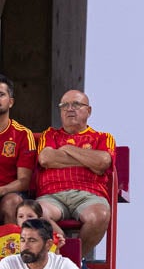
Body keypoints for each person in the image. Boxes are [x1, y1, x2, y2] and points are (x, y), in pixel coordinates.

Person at [36, 89, 115, 259]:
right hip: (52, 195)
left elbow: (102, 162)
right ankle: (71, 261)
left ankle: (73, 260)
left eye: (76, 104)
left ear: (89, 111)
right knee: (35, 213)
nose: (70, 109)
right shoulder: (49, 134)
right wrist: (88, 160)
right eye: (65, 105)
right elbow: (46, 159)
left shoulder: (102, 137)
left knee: (100, 215)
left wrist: (68, 149)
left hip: (89, 194)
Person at [0, 75, 35, 226]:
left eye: (1, 95)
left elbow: (24, 181)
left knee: (11, 202)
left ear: (11, 102)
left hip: (9, 193)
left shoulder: (22, 134)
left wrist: (2, 190)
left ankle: (11, 250)